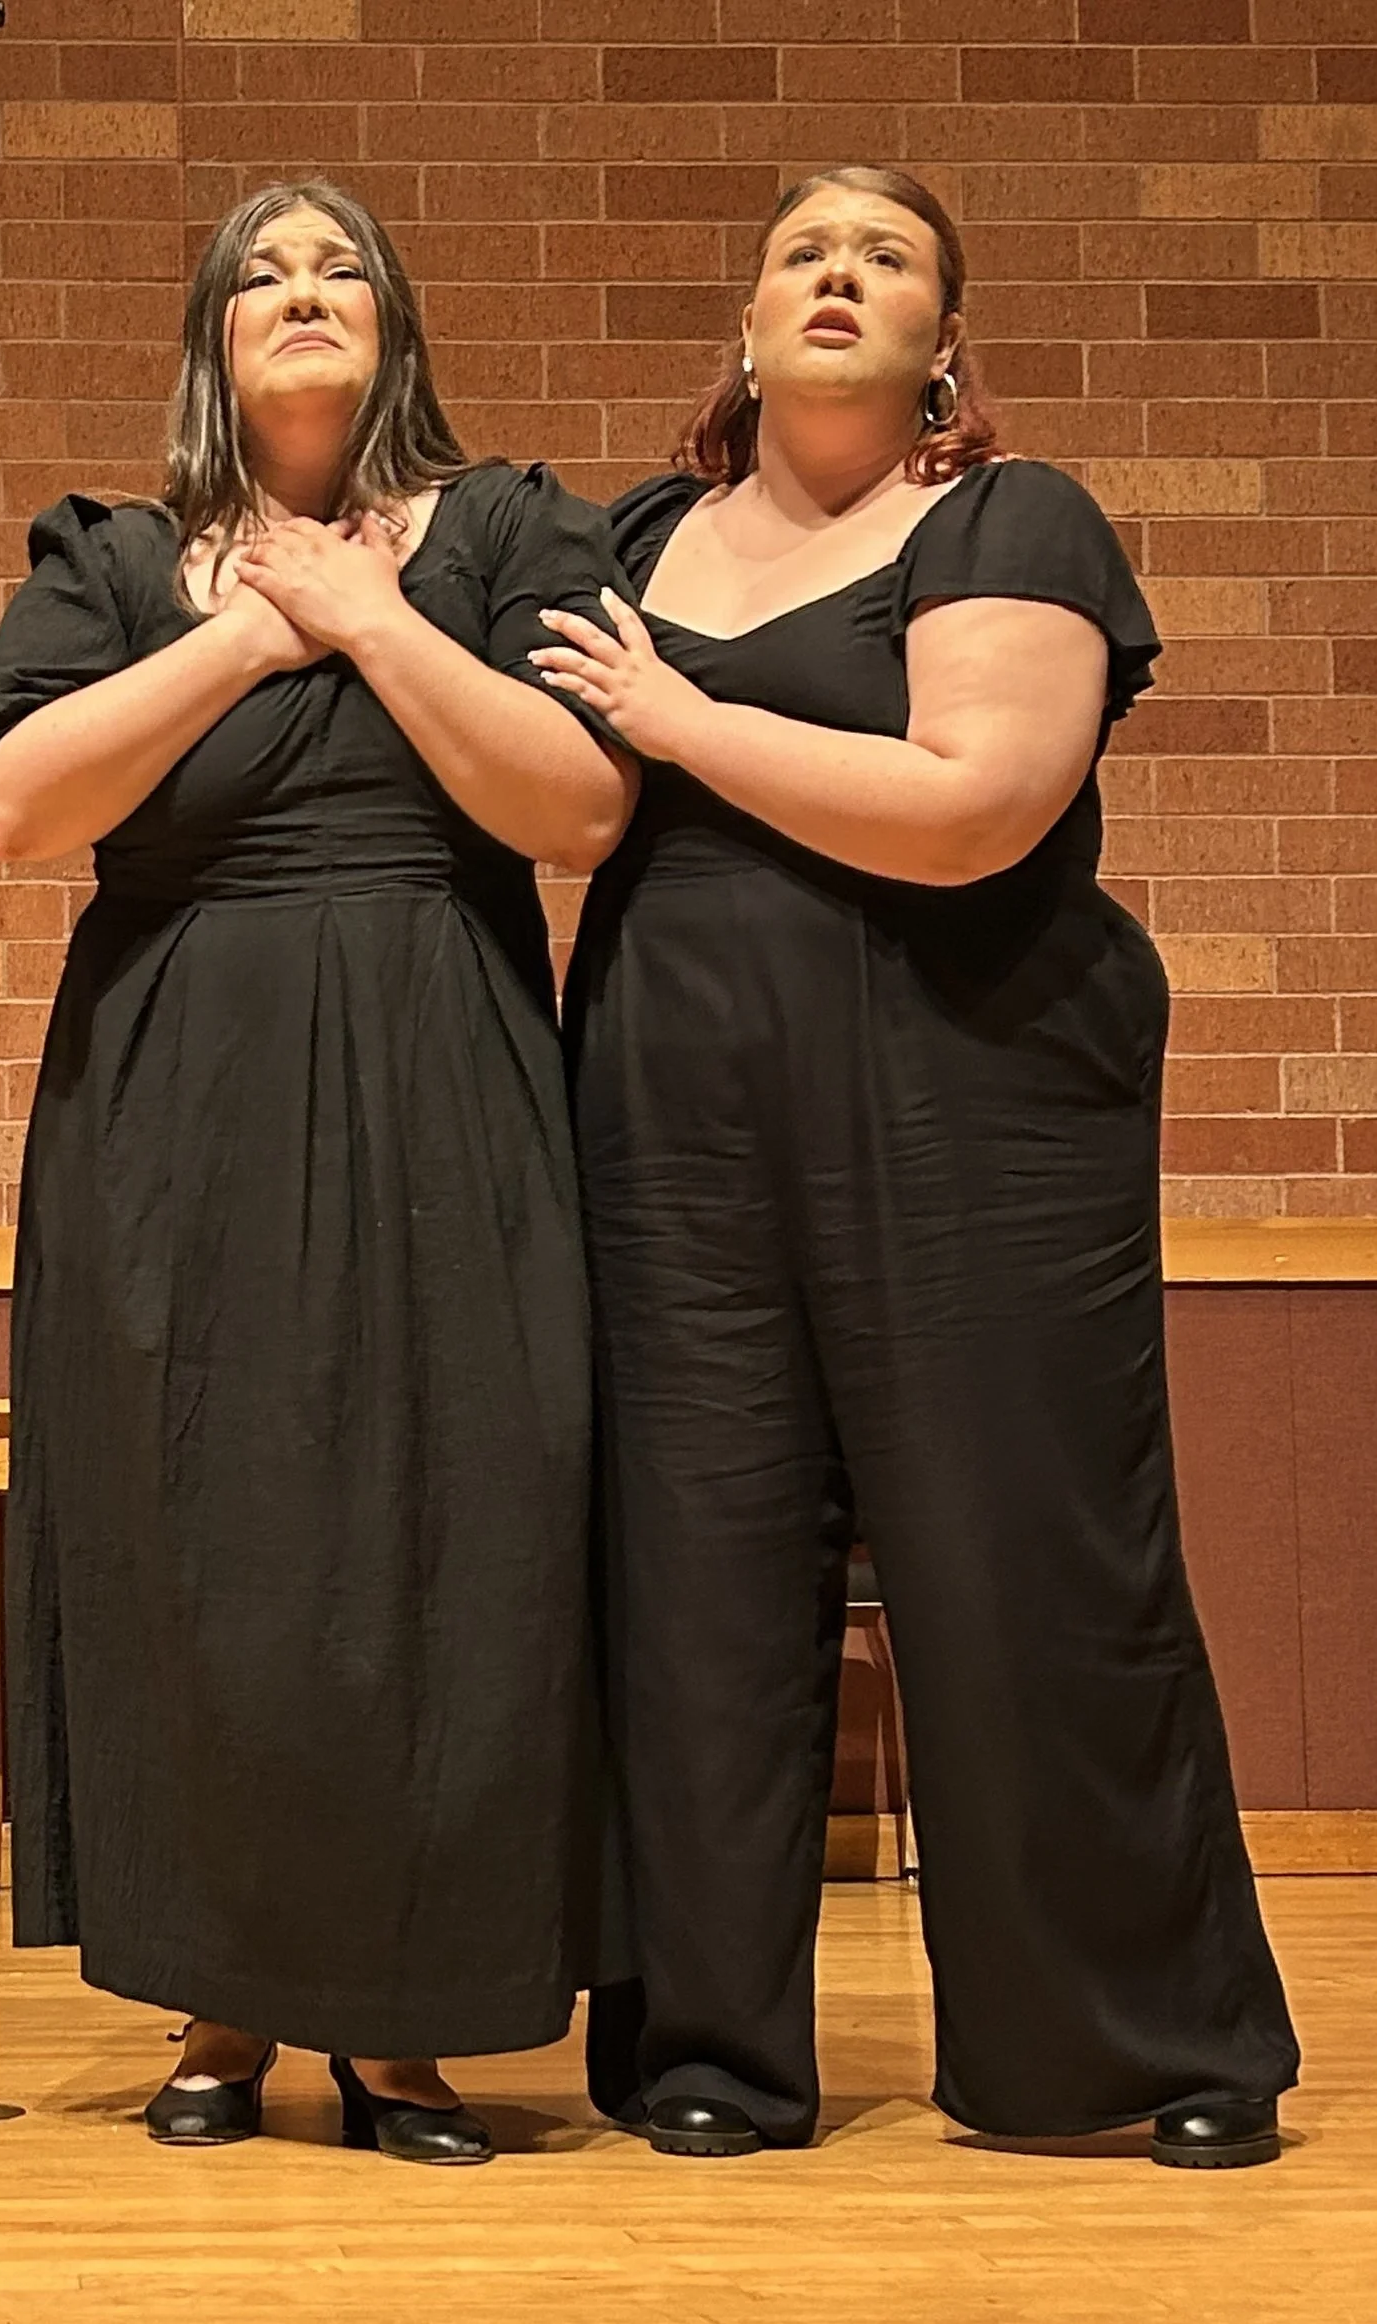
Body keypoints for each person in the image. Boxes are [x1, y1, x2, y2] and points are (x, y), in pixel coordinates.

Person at [535, 165, 1299, 2167]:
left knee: (1017, 1566)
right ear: (746, 321)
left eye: (883, 259)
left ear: (937, 338)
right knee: (690, 1582)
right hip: (667, 1120)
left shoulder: (999, 522)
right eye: (801, 251)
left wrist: (681, 723)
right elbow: (559, 806)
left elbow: (971, 807)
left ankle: (1130, 2052)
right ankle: (706, 2048)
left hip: (967, 1108)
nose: (836, 277)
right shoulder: (633, 545)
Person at [0, 180, 636, 2163]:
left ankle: (402, 2026)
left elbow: (572, 806)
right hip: (179, 1098)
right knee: (203, 1539)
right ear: (211, 341)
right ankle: (222, 1994)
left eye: (342, 272)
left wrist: (373, 615)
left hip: (444, 1074)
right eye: (267, 274)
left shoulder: (505, 531)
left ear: (392, 327)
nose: (306, 296)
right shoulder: (107, 557)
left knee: (447, 1527)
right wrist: (254, 636)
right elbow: (13, 804)